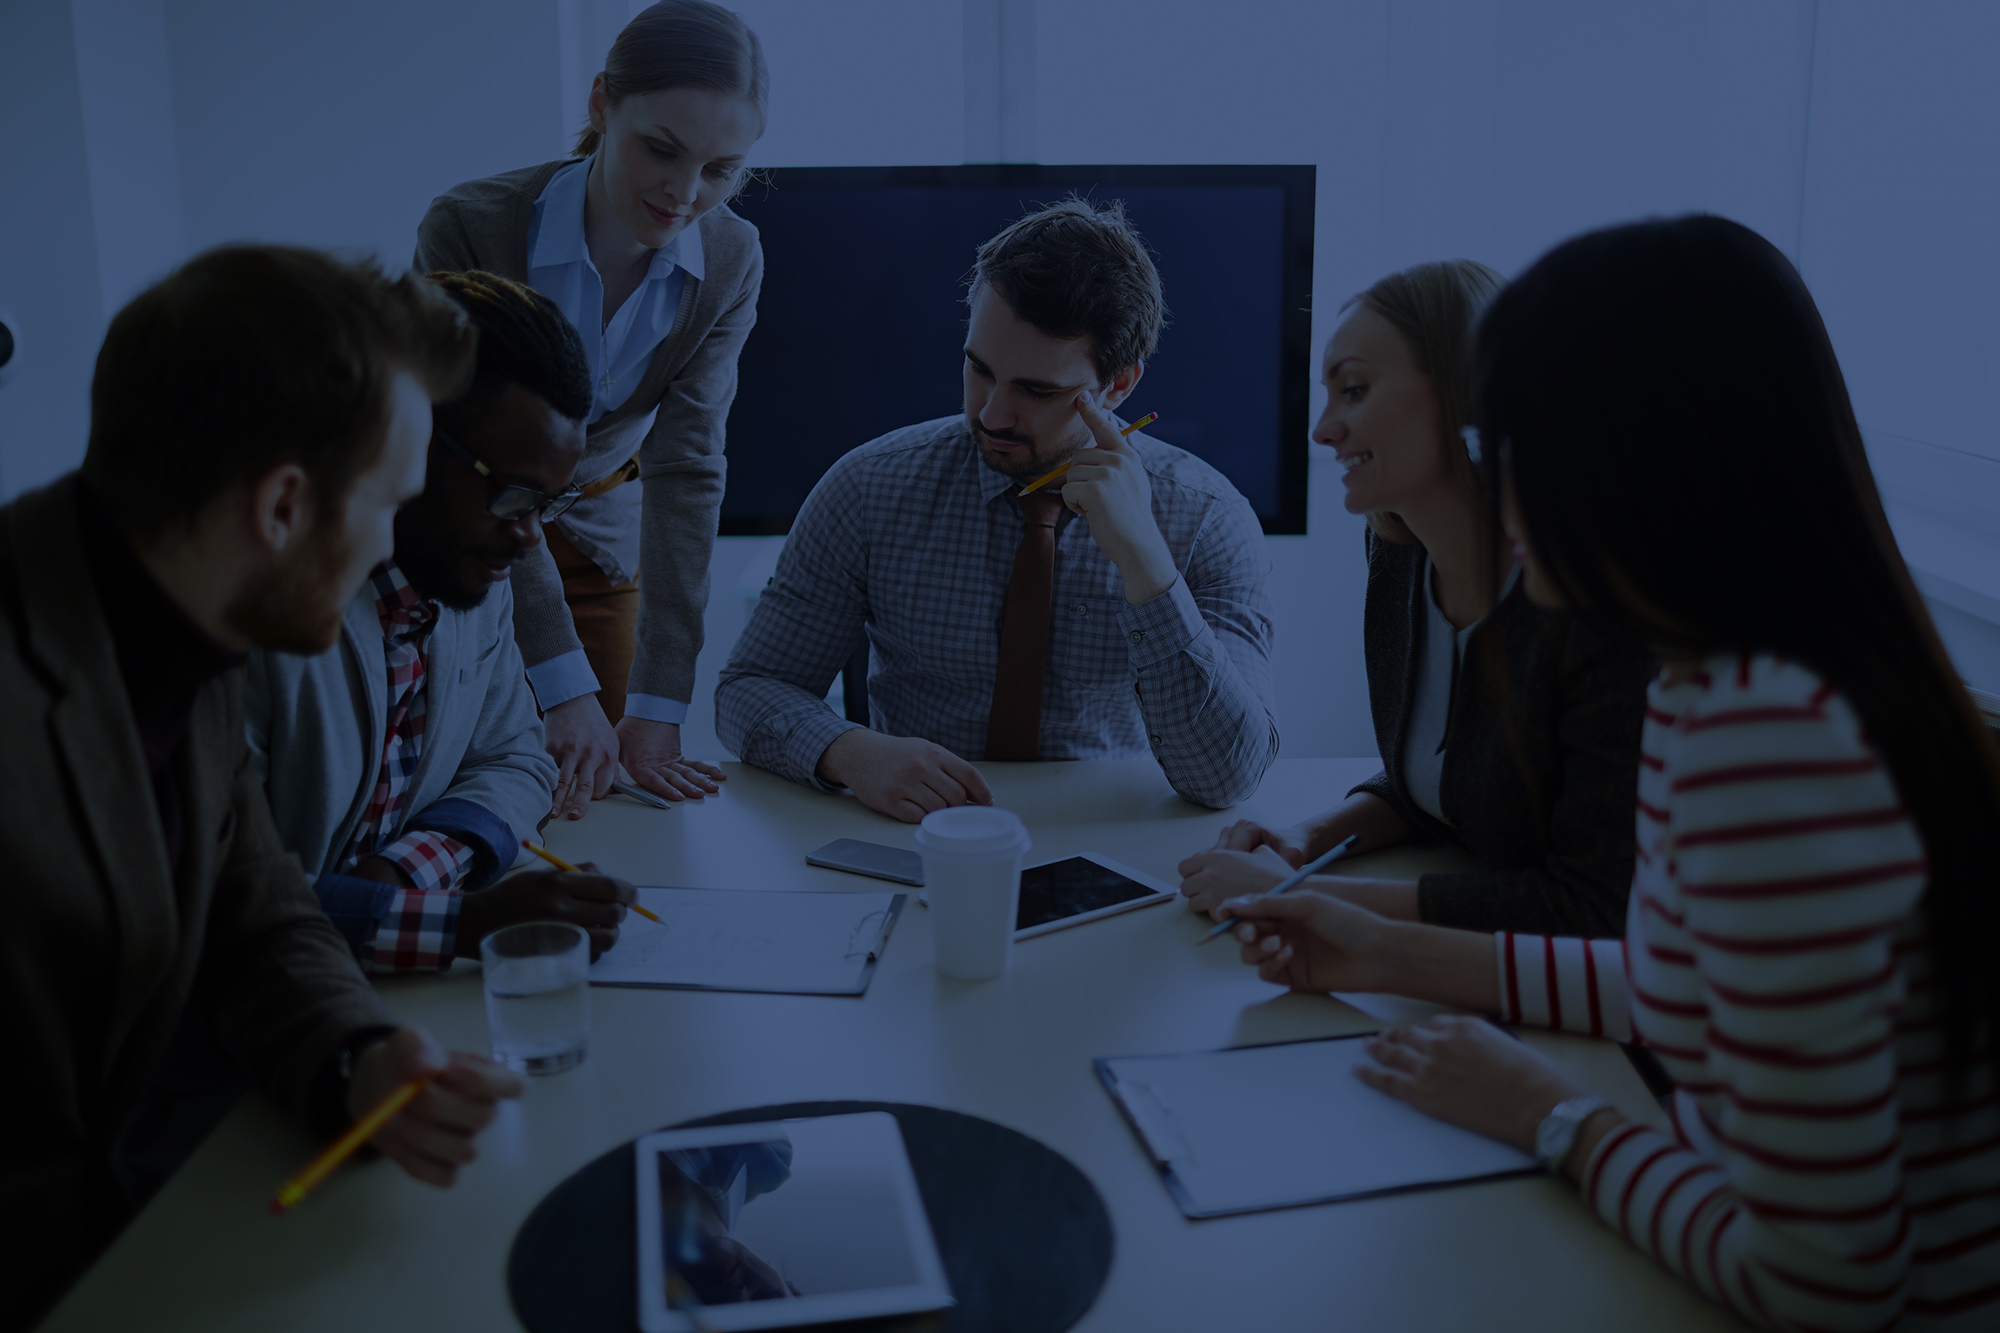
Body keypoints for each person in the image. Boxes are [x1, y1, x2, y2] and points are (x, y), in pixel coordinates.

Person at [1221, 216, 2000, 1328]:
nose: (1501, 481)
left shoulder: (1772, 741)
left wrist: (1551, 1115)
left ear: (1645, 458)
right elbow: (1679, 977)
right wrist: (1385, 948)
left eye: (1520, 442)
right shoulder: (1712, 682)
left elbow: (1825, 1284)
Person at [0, 246, 525, 1328]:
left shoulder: (170, 611)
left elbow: (254, 899)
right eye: (386, 501)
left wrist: (360, 1054)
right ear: (283, 505)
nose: (392, 541)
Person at [715, 197, 1279, 822]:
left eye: (1037, 391)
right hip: (920, 838)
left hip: (1115, 841)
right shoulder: (868, 487)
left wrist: (1145, 559)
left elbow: (1229, 776)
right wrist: (850, 752)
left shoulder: (1207, 518)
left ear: (1118, 386)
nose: (992, 415)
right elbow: (748, 691)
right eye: (979, 370)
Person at [1178, 261, 1653, 937]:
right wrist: (1303, 841)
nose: (1322, 430)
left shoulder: (1591, 601)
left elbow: (1591, 905)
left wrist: (1318, 903)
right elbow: (1442, 785)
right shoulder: (1399, 557)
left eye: (1354, 390)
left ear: (1467, 391)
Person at [415, 0, 768, 817]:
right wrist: (556, 676)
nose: (684, 193)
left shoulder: (731, 259)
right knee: (471, 784)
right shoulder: (469, 228)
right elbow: (474, 455)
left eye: (720, 169)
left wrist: (660, 703)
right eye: (661, 149)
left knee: (603, 803)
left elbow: (688, 467)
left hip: (606, 543)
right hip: (463, 540)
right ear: (602, 104)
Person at [248, 271, 638, 972]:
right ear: (403, 440)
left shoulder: (472, 579)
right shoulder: (259, 614)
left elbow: (517, 758)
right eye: (513, 494)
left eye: (545, 504)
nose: (529, 539)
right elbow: (215, 896)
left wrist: (401, 881)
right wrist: (452, 923)